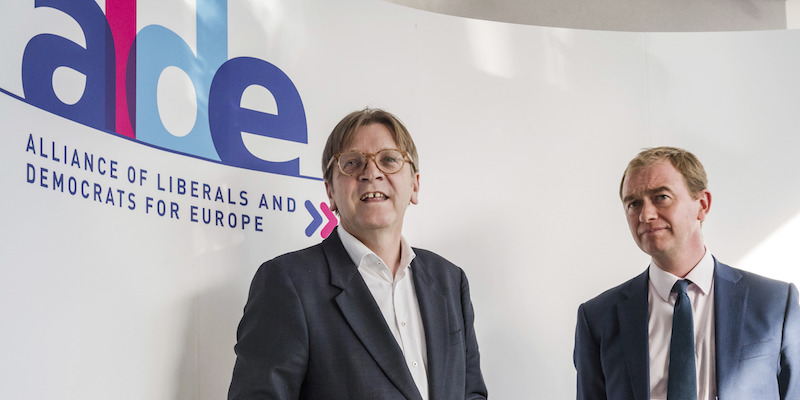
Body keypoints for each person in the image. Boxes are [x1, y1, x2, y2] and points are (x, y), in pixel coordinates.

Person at [228, 108, 488, 400]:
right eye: (352, 163)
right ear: (330, 193)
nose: (371, 173)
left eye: (389, 160)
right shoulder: (289, 283)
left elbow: (472, 393)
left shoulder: (450, 281)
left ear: (415, 185)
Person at [574, 146, 800, 400]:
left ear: (702, 205)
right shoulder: (597, 318)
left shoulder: (775, 303)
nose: (645, 215)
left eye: (661, 197)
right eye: (634, 204)